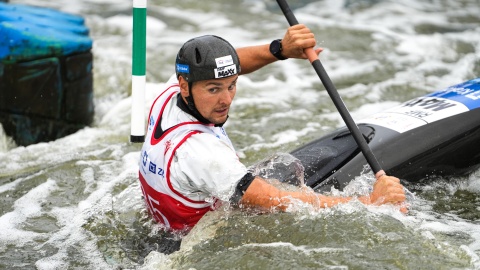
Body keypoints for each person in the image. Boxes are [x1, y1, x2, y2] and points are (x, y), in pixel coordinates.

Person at [138, 24, 407, 233]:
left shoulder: (169, 94)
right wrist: (370, 203)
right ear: (185, 85)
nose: (226, 99)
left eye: (232, 85)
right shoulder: (202, 154)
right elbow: (279, 202)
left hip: (161, 221)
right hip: (193, 241)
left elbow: (229, 64)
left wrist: (279, 50)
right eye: (213, 90)